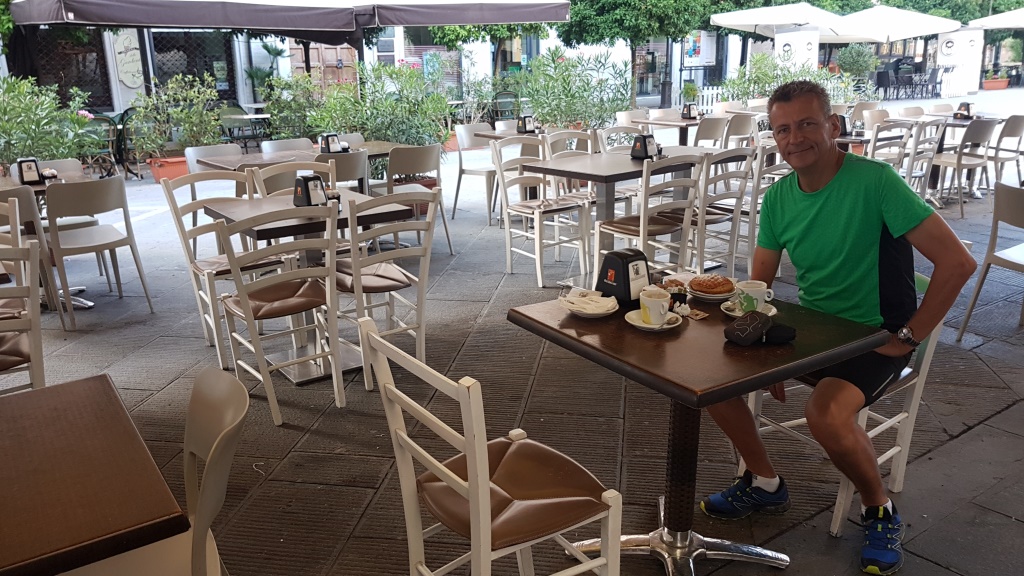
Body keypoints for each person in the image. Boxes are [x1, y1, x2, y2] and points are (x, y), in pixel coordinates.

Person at [699, 81, 976, 576]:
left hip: (877, 335)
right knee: (711, 381)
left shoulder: (876, 182)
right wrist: (758, 346)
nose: (795, 138)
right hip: (814, 331)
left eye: (807, 124)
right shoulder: (779, 197)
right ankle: (764, 482)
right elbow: (758, 285)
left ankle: (879, 509)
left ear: (832, 126)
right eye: (783, 129)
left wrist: (909, 336)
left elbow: (958, 263)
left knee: (825, 414)